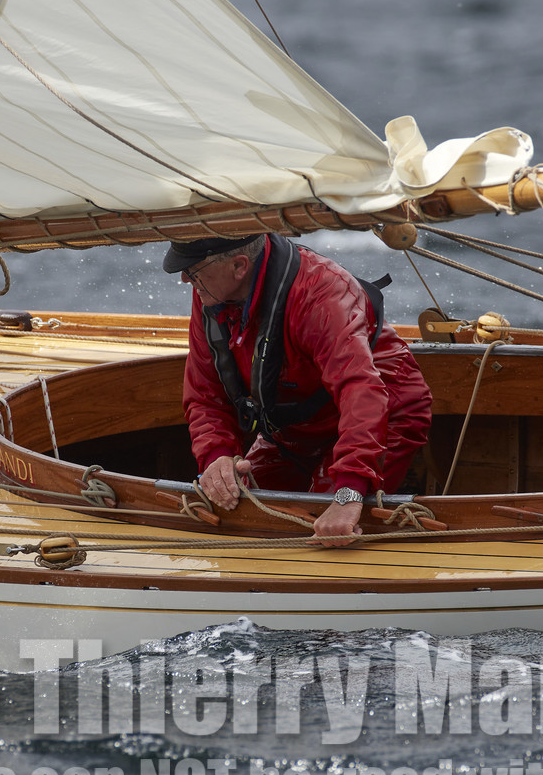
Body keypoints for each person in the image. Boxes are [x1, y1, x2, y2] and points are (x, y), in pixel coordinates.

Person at [166, 233, 432, 546]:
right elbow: (204, 395)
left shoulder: (321, 292)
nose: (184, 279)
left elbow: (360, 391)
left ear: (238, 266)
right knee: (238, 511)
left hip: (384, 412)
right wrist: (217, 457)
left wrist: (349, 492)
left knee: (316, 533)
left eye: (194, 270)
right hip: (296, 428)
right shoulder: (211, 295)